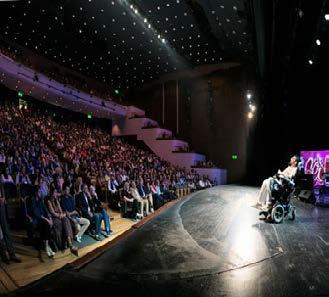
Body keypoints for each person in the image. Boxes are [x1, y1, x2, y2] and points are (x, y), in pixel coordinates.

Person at [0, 190, 22, 264]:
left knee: (6, 231)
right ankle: (4, 256)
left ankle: (12, 254)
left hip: (0, 205)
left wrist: (3, 197)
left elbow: (1, 187)